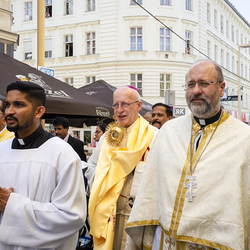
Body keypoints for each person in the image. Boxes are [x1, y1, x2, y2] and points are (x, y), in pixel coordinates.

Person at [125, 59, 250, 250]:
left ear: (222, 88)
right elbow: (150, 188)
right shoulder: (169, 131)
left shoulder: (244, 138)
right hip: (165, 241)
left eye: (204, 83)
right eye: (191, 84)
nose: (196, 90)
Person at [0, 81, 86, 249]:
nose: (9, 111)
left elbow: (72, 216)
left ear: (39, 111)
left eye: (19, 105)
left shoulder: (62, 154)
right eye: (8, 104)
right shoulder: (1, 149)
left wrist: (11, 204)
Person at [87, 85, 158, 250]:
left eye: (125, 104)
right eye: (116, 105)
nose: (119, 110)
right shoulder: (107, 137)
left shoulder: (154, 136)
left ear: (138, 106)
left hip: (137, 213)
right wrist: (105, 177)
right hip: (109, 211)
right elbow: (92, 166)